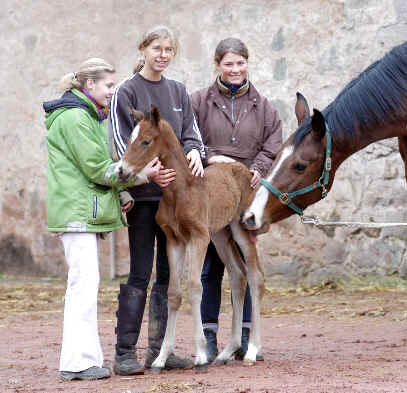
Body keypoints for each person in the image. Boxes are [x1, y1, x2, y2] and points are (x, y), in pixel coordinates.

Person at [44, 58, 164, 381]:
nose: (114, 91)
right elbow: (97, 169)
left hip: (84, 211)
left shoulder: (89, 117)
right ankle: (77, 362)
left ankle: (85, 359)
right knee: (82, 286)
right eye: (109, 85)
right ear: (90, 86)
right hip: (77, 213)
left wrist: (121, 195)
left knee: (85, 285)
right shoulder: (75, 119)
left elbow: (104, 164)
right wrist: (141, 176)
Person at [110, 25, 205, 375]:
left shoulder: (179, 92)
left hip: (177, 198)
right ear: (143, 49)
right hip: (143, 196)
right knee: (140, 272)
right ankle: (124, 352)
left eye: (169, 49)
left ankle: (157, 350)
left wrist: (196, 151)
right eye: (156, 48)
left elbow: (191, 133)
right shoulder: (127, 91)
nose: (163, 55)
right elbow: (123, 144)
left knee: (169, 274)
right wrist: (148, 173)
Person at [191, 37, 282, 362]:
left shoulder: (264, 106)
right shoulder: (199, 101)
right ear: (218, 65)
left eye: (240, 63)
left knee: (245, 258)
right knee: (209, 267)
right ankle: (211, 335)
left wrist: (257, 168)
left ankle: (245, 335)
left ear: (247, 64)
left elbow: (273, 143)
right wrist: (212, 157)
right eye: (228, 64)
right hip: (210, 187)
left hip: (245, 189)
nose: (235, 69)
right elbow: (191, 136)